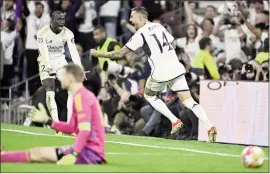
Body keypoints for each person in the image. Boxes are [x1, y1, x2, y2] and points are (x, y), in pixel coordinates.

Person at [90, 6, 217, 142]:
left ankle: (175, 121)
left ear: (140, 17)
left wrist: (100, 53)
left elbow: (120, 53)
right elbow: (172, 43)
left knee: (148, 95)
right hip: (176, 68)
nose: (130, 20)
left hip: (161, 71)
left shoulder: (140, 34)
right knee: (188, 101)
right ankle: (210, 127)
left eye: (132, 17)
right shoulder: (159, 27)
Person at [1, 63, 106, 165]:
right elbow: (72, 128)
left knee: (38, 154)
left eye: (63, 75)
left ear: (70, 78)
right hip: (89, 151)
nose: (60, 78)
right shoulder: (81, 95)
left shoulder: (81, 96)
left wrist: (74, 153)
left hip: (90, 153)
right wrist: (48, 120)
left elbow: (84, 130)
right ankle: (4, 155)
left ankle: (3, 156)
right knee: (37, 152)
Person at [37, 11, 83, 126]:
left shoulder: (68, 33)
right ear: (52, 20)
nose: (62, 22)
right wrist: (48, 65)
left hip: (61, 61)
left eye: (63, 19)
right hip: (45, 59)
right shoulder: (42, 33)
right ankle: (56, 124)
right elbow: (44, 51)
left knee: (72, 90)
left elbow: (73, 51)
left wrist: (80, 68)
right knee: (50, 90)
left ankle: (69, 123)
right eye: (59, 19)